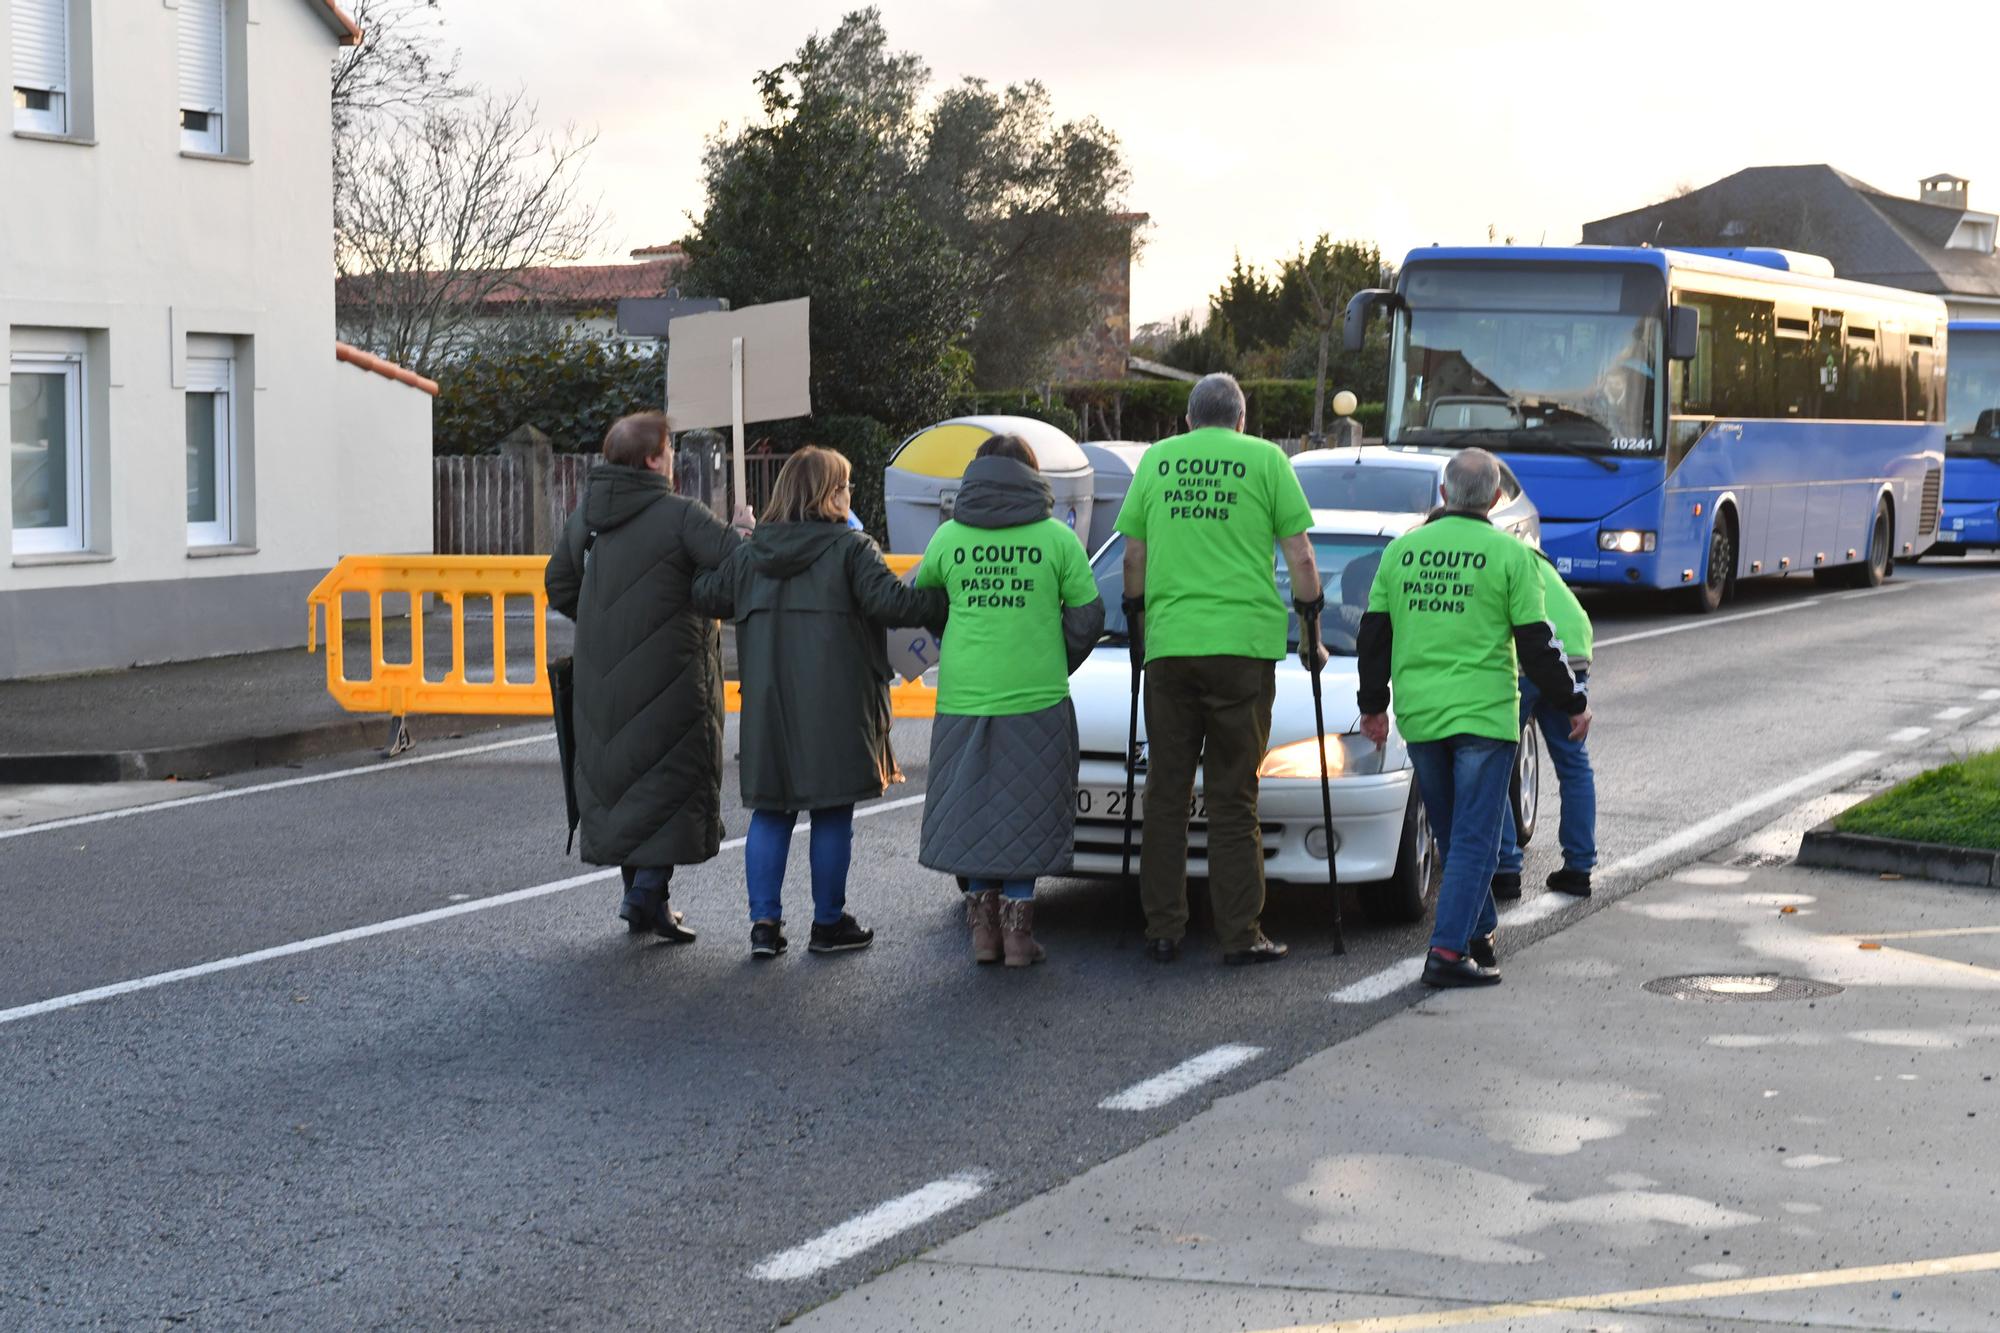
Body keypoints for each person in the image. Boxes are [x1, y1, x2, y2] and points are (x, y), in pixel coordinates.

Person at [693, 447, 947, 960]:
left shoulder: (750, 553)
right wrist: (944, 590)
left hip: (770, 707)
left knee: (771, 811)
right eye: (847, 486)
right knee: (832, 813)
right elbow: (895, 606)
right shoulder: (853, 549)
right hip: (839, 706)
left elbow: (706, 595)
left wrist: (735, 537)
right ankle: (828, 923)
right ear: (831, 494)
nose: (850, 495)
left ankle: (764, 925)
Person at [1358, 449, 1593, 989]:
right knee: (1472, 838)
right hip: (1485, 718)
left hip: (1420, 714)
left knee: (1451, 831)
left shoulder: (1402, 551)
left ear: (1444, 493)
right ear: (1493, 499)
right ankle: (1445, 952)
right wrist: (1574, 700)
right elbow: (1538, 643)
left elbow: (1374, 634)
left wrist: (1373, 707)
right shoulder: (1509, 556)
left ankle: (1479, 930)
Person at [1115, 372, 1323, 966]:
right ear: (1241, 419)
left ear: (1187, 419)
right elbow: (1301, 557)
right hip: (1243, 648)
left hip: (1171, 647)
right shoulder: (1265, 460)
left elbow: (1134, 556)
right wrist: (1311, 634)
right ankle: (1239, 933)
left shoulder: (1158, 461)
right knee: (1234, 795)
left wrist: (1140, 633)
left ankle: (1162, 927)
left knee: (1166, 794)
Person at [545, 412, 753, 940]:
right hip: (671, 669)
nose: (673, 462)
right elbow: (739, 570)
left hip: (600, 671)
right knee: (670, 778)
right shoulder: (682, 515)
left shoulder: (587, 516)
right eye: (667, 452)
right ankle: (646, 894)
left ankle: (642, 898)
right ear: (652, 461)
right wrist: (745, 532)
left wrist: (604, 623)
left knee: (621, 779)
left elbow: (560, 583)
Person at [916, 434, 1105, 967]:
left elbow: (929, 604)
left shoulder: (948, 538)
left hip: (964, 696)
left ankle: (982, 936)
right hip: (1037, 695)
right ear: (1033, 475)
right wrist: (1052, 657)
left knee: (974, 810)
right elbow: (1089, 618)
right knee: (1029, 810)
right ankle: (1020, 939)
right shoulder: (1057, 538)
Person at [1493, 546, 1597, 901]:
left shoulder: (1487, 555)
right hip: (1574, 644)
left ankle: (1505, 869)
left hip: (1525, 655)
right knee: (1573, 764)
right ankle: (1579, 868)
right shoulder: (1524, 550)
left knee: (1496, 762)